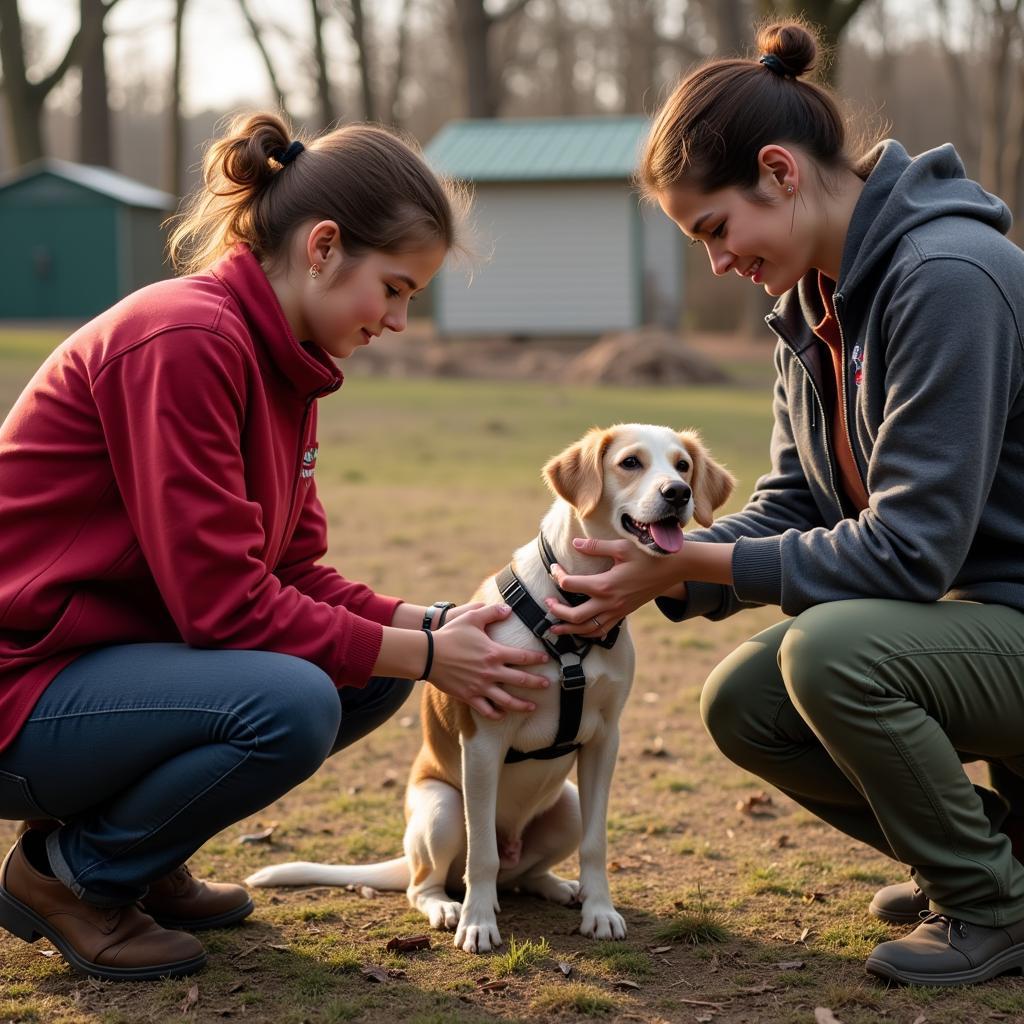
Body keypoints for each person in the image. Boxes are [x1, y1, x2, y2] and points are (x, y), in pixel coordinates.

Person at [0, 112, 551, 982]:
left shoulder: (281, 360)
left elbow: (292, 573)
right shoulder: (187, 342)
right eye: (396, 288)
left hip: (101, 669)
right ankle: (71, 877)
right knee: (292, 699)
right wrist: (428, 652)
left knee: (370, 670)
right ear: (324, 246)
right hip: (24, 687)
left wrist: (434, 626)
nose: (401, 320)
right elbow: (224, 607)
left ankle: (140, 857)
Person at [542, 20, 1024, 987]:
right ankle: (984, 855)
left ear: (780, 171)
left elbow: (909, 553)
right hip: (972, 625)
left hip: (995, 614)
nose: (717, 261)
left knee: (830, 653)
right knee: (745, 701)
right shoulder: (811, 302)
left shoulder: (948, 280)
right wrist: (658, 570)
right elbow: (795, 500)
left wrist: (694, 561)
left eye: (715, 228)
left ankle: (991, 907)